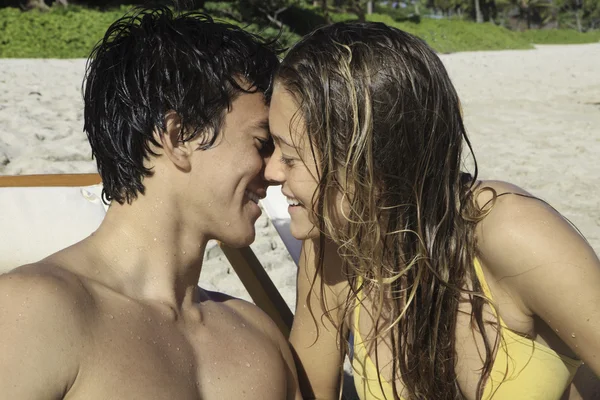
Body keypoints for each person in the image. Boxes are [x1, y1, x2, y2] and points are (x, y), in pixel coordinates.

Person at [265, 21, 600, 400]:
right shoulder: (334, 242)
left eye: (289, 156)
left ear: (368, 162)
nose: (271, 170)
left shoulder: (510, 232)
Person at [0, 7, 301, 400]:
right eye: (262, 144)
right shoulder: (34, 313)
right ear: (177, 137)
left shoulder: (261, 337)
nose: (276, 172)